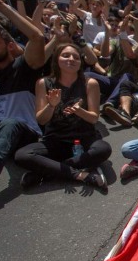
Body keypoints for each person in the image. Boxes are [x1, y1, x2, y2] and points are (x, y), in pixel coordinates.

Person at [15, 44, 111, 190]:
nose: (71, 59)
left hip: (84, 140)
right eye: (65, 55)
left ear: (80, 63)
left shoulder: (90, 83)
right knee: (22, 155)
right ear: (56, 60)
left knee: (103, 149)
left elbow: (93, 118)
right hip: (56, 141)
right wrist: (51, 105)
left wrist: (79, 111)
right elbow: (41, 119)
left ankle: (48, 172)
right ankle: (79, 175)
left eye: (76, 57)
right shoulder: (43, 83)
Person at [0, 0, 46, 180]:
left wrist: (0, 5)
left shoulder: (23, 67)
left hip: (24, 134)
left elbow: (37, 37)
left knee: (10, 122)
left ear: (9, 46)